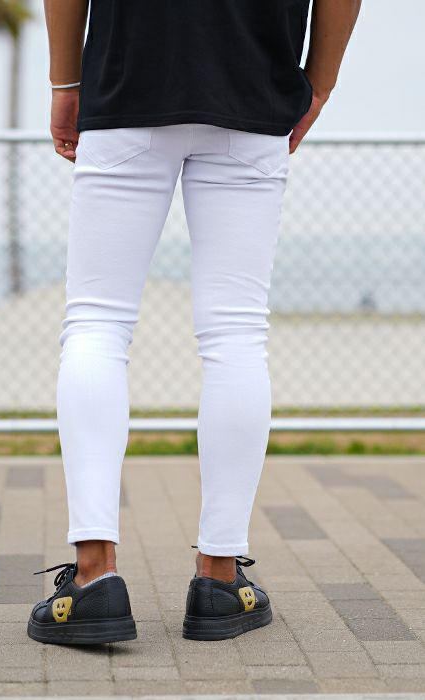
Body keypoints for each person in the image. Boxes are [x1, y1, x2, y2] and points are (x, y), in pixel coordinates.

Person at [27, 0, 362, 645]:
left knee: (97, 324)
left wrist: (66, 82)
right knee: (236, 335)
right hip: (255, 82)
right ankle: (220, 581)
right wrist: (318, 84)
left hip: (127, 82)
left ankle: (95, 579)